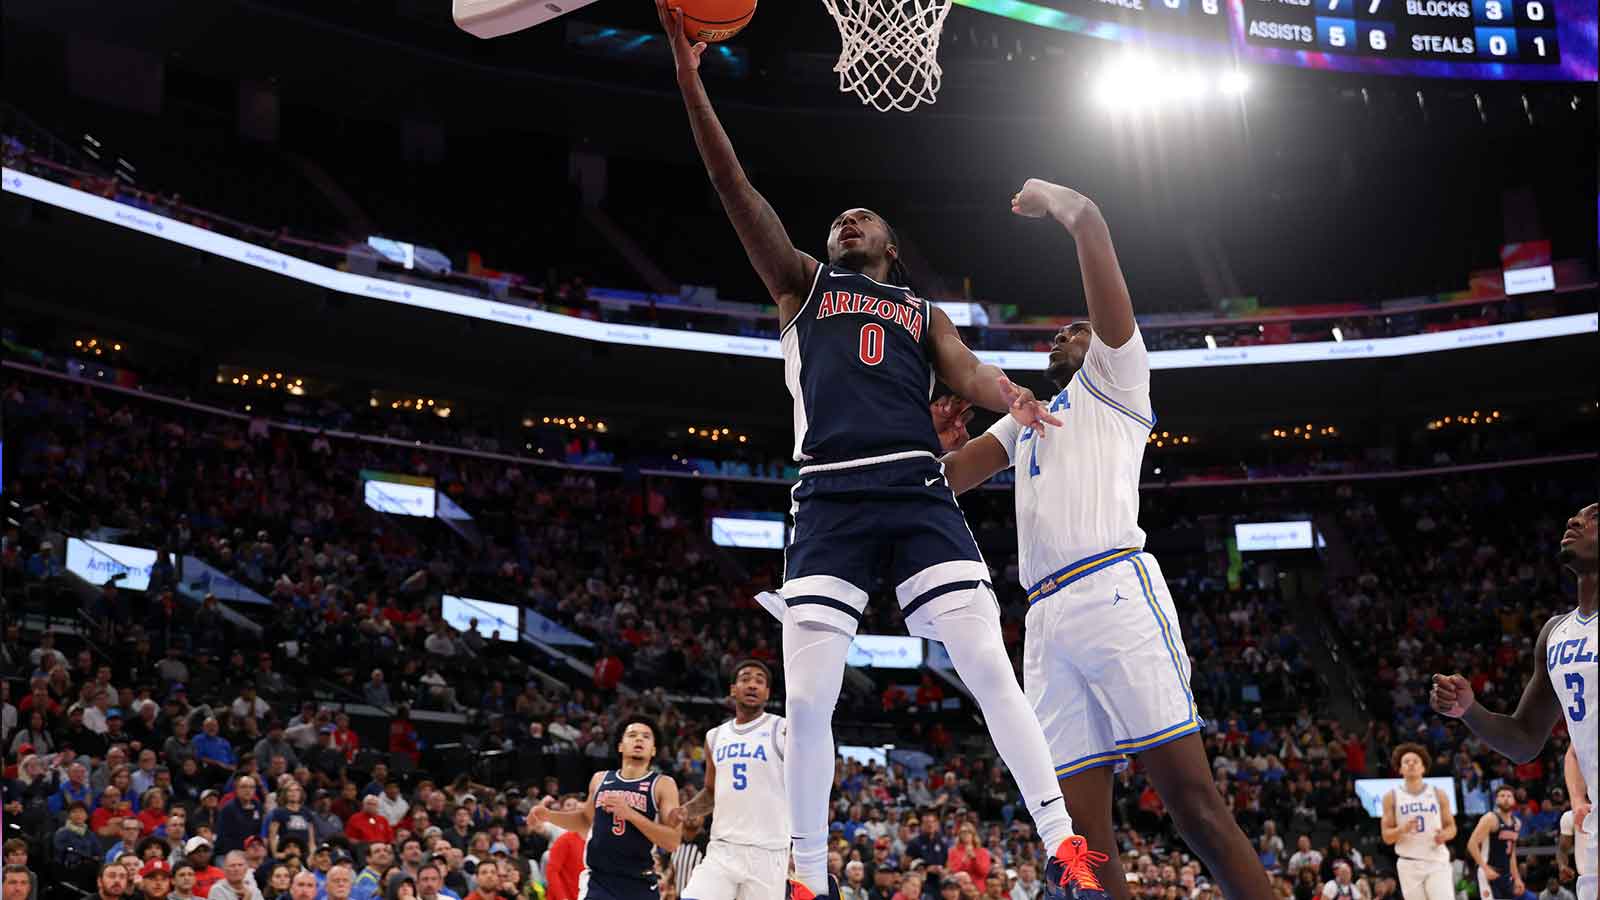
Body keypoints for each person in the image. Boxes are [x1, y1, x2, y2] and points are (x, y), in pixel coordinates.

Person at [653, 13, 1098, 900]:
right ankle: (810, 880)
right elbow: (730, 181)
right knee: (810, 702)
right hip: (829, 498)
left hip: (920, 493)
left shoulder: (921, 311)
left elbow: (967, 370)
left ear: (890, 248)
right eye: (837, 219)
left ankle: (1063, 841)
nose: (846, 220)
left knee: (988, 669)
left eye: (863, 219)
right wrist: (690, 79)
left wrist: (1006, 394)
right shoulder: (799, 285)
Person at [933, 178, 1274, 900]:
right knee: (1077, 844)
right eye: (1056, 334)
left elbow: (1091, 223)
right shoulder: (1023, 413)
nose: (1062, 335)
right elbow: (946, 480)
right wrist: (932, 439)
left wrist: (1064, 203)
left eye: (1074, 330)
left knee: (1192, 804)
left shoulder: (1116, 378)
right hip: (1046, 618)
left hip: (1114, 588)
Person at [1433, 503, 1597, 900]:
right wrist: (1469, 710)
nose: (1575, 521)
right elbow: (1524, 741)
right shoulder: (1554, 633)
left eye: (1595, 518)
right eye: (1575, 515)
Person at [526, 717, 680, 900]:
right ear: (620, 746)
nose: (639, 739)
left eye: (646, 736)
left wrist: (631, 814)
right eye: (632, 735)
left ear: (654, 749)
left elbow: (672, 841)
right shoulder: (600, 779)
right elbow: (585, 820)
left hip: (639, 882)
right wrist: (549, 815)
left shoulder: (662, 784)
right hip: (599, 882)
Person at [672, 660, 790, 900]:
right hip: (723, 848)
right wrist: (687, 810)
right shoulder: (715, 737)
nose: (753, 685)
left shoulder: (782, 729)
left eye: (760, 681)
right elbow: (711, 791)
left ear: (767, 693)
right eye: (746, 679)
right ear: (733, 689)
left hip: (768, 851)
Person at [1381, 744, 1456, 900]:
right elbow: (1387, 837)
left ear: (1423, 767)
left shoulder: (1438, 793)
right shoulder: (1391, 797)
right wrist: (1401, 829)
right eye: (1406, 761)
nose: (1411, 764)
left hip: (1436, 860)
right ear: (1400, 769)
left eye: (1415, 761)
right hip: (1409, 864)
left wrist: (1445, 834)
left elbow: (1452, 827)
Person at [1468, 788, 1526, 900]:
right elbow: (1472, 844)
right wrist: (1485, 868)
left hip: (1506, 874)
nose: (1506, 799)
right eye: (1502, 795)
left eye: (1509, 796)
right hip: (1489, 870)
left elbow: (1511, 854)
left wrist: (1517, 877)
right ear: (1496, 800)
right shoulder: (1490, 818)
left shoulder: (1517, 823)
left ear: (1514, 800)